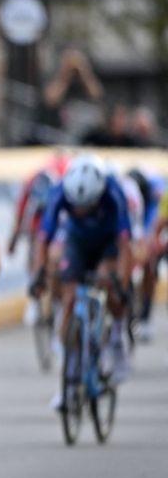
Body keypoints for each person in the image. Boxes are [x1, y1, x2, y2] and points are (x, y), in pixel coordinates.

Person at [34, 156, 133, 405]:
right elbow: (43, 239)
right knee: (69, 296)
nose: (80, 211)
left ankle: (117, 340)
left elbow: (124, 245)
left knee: (107, 282)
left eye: (87, 205)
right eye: (76, 207)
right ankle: (69, 380)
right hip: (77, 242)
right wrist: (39, 273)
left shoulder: (113, 193)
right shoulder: (61, 192)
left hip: (107, 243)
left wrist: (122, 282)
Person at [9, 152, 71, 329]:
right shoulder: (32, 182)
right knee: (36, 248)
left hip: (63, 218)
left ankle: (59, 303)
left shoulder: (66, 184)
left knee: (58, 257)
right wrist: (14, 239)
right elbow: (22, 213)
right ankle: (35, 299)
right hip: (41, 216)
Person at [127, 168, 164, 341]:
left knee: (150, 260)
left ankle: (145, 316)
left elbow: (154, 225)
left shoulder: (156, 192)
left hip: (154, 218)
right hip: (132, 218)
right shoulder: (126, 193)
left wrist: (149, 245)